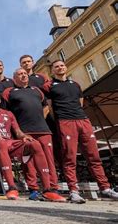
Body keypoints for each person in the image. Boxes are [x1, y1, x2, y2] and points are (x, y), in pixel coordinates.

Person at [43, 60, 118, 203]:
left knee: (93, 155)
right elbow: (50, 108)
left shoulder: (75, 84)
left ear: (66, 67)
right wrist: (61, 120)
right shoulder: (50, 86)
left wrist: (77, 114)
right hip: (65, 121)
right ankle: (74, 191)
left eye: (62, 65)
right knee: (69, 157)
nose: (60, 68)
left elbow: (80, 102)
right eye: (56, 66)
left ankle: (105, 188)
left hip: (83, 120)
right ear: (52, 71)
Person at [0, 91, 65, 201]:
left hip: (10, 142)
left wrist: (24, 136)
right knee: (1, 142)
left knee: (35, 144)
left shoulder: (8, 114)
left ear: (0, 100)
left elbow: (17, 132)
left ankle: (47, 189)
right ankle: (12, 187)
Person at [3, 68, 60, 200]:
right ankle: (33, 189)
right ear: (14, 78)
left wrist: (41, 118)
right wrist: (17, 131)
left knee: (48, 159)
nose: (23, 76)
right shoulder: (9, 92)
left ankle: (52, 188)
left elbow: (46, 106)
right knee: (28, 161)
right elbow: (7, 113)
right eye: (19, 74)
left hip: (43, 130)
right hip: (24, 131)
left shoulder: (36, 90)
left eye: (24, 73)